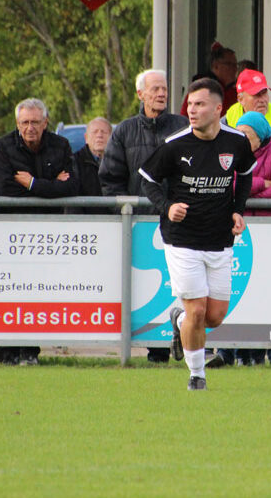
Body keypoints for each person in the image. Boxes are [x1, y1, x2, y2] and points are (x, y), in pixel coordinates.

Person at [139, 78, 255, 391]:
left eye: (200, 104)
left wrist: (238, 209)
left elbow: (244, 176)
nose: (192, 110)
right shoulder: (175, 144)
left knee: (214, 317)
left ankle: (178, 321)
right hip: (182, 239)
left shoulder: (236, 142)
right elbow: (147, 179)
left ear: (218, 109)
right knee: (198, 310)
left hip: (219, 240)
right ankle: (197, 376)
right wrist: (167, 206)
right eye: (190, 104)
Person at [100, 69, 188, 363]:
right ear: (141, 94)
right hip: (138, 225)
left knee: (176, 286)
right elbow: (110, 178)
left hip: (178, 223)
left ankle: (173, 343)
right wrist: (126, 212)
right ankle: (153, 350)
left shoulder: (182, 126)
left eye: (164, 89)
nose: (161, 94)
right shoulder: (123, 131)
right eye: (155, 89)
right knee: (144, 288)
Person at [0, 98, 79, 365]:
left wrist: (32, 185)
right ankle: (8, 351)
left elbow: (72, 187)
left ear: (46, 123)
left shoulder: (61, 145)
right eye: (24, 123)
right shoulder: (4, 146)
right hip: (11, 231)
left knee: (37, 291)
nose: (29, 128)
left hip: (47, 232)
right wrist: (50, 186)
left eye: (35, 122)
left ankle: (30, 351)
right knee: (10, 290)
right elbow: (6, 188)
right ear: (17, 124)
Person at [210, 111, 271, 369]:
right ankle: (226, 352)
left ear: (261, 137)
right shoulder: (230, 150)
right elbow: (228, 185)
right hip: (236, 229)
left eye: (247, 134)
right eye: (239, 132)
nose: (240, 138)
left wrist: (247, 189)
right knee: (231, 289)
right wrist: (259, 183)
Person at [223, 68, 271, 171]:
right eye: (256, 95)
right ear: (240, 99)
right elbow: (220, 161)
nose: (262, 100)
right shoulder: (225, 122)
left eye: (264, 93)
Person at [179, 42, 238, 115]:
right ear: (215, 66)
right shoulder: (202, 88)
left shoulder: (233, 91)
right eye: (229, 64)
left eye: (235, 65)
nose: (235, 69)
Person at [74, 116, 112, 199]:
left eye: (104, 132)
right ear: (86, 138)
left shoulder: (119, 162)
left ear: (112, 137)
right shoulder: (74, 162)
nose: (99, 135)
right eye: (95, 132)